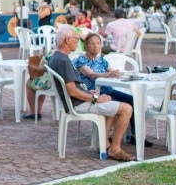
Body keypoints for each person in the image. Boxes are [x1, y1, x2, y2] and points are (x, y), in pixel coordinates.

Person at [49, 27, 135, 161]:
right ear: (67, 40)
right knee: (127, 108)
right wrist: (95, 98)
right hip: (78, 104)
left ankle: (105, 143)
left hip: (76, 100)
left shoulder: (56, 57)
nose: (78, 43)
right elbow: (71, 90)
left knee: (111, 101)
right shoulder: (64, 61)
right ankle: (115, 149)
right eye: (76, 39)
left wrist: (88, 92)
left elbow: (73, 87)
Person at [73, 33, 150, 148]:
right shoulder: (81, 60)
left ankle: (135, 134)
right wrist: (109, 74)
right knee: (118, 105)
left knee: (133, 100)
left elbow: (112, 71)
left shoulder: (101, 60)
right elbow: (91, 75)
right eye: (92, 44)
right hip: (95, 92)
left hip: (109, 90)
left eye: (98, 43)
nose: (96, 46)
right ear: (86, 46)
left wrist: (119, 73)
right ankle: (107, 137)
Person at [23, 50, 55, 120]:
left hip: (52, 83)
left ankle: (33, 112)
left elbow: (41, 67)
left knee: (30, 82)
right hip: (63, 82)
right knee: (42, 81)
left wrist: (33, 66)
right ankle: (38, 111)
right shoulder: (73, 54)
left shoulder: (54, 53)